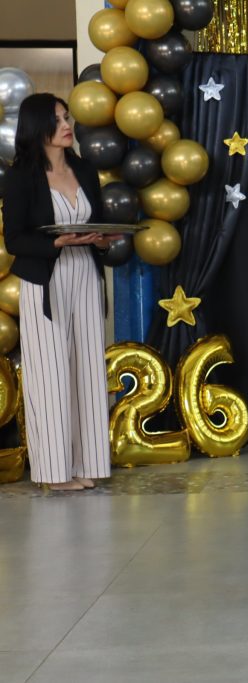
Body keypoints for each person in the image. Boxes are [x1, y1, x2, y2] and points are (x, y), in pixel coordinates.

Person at [1, 93, 119, 491]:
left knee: (87, 370)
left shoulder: (84, 170)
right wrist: (55, 242)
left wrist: (102, 240)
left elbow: (97, 224)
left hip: (85, 274)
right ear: (38, 127)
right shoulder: (21, 177)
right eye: (57, 120)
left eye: (67, 117)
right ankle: (54, 473)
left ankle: (89, 463)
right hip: (45, 281)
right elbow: (15, 240)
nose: (67, 125)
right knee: (50, 374)